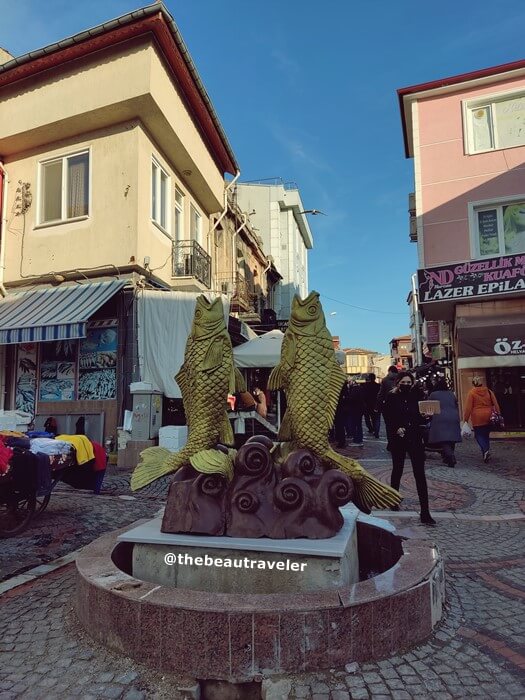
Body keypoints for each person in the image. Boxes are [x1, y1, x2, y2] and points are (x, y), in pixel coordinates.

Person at [383, 371, 436, 525]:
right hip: (398, 439)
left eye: (409, 382)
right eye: (403, 382)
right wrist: (396, 429)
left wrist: (426, 416)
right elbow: (387, 417)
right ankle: (393, 500)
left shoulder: (416, 396)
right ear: (398, 382)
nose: (406, 384)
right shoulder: (391, 397)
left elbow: (420, 417)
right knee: (397, 469)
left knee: (419, 474)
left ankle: (425, 511)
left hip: (414, 437)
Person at [463, 376, 500, 463]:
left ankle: (485, 450)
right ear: (482, 383)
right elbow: (495, 403)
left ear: (473, 384)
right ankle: (485, 452)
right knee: (486, 435)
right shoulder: (489, 391)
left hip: (477, 417)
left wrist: (465, 420)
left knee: (479, 435)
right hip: (489, 415)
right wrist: (498, 414)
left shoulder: (471, 393)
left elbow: (468, 408)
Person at [428, 377, 461, 467]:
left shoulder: (433, 394)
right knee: (451, 438)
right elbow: (455, 403)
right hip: (453, 416)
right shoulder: (451, 394)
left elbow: (429, 406)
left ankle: (450, 456)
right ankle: (448, 457)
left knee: (444, 439)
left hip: (440, 417)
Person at [376, 365, 399, 447]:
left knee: (389, 425)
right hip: (400, 404)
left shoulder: (385, 380)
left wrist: (378, 406)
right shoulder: (401, 378)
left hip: (388, 406)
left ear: (389, 371)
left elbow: (381, 394)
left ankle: (391, 442)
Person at [362, 373, 380, 438]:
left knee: (367, 418)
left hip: (366, 404)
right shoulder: (378, 386)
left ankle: (370, 428)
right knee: (374, 418)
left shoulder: (365, 385)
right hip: (374, 404)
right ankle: (375, 431)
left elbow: (363, 395)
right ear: (375, 378)